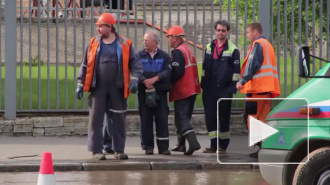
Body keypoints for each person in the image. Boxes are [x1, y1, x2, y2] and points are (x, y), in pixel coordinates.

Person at [75, 13, 143, 160]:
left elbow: (136, 64)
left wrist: (135, 79)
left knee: (119, 119)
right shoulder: (93, 43)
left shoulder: (125, 43)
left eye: (101, 26)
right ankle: (96, 151)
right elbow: (85, 64)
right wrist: (80, 83)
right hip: (97, 87)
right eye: (98, 26)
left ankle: (119, 150)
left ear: (110, 27)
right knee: (96, 119)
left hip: (117, 88)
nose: (98, 29)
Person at [236, 22, 280, 158]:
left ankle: (262, 148)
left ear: (255, 32)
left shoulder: (258, 45)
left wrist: (242, 81)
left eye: (248, 33)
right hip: (266, 90)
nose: (247, 35)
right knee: (262, 119)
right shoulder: (268, 45)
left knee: (251, 119)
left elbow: (252, 65)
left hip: (257, 89)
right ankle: (265, 148)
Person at [201, 20, 240, 154]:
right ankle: (213, 144)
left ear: (228, 32)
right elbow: (204, 69)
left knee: (223, 117)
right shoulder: (208, 47)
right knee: (210, 117)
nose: (220, 32)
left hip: (224, 89)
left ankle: (222, 145)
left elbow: (236, 72)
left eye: (223, 30)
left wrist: (231, 89)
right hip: (209, 89)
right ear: (215, 31)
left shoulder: (233, 49)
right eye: (218, 30)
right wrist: (203, 85)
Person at [166, 25, 201, 155]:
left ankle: (193, 143)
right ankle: (181, 145)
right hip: (192, 88)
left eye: (169, 37)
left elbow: (177, 72)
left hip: (183, 89)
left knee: (181, 118)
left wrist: (168, 83)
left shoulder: (178, 52)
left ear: (175, 38)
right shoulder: (187, 49)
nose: (168, 40)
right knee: (185, 117)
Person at [138, 30, 172, 155]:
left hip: (160, 93)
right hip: (143, 92)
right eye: (144, 40)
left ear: (155, 42)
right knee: (145, 120)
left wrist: (155, 79)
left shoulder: (164, 56)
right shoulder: (138, 56)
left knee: (162, 119)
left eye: (147, 40)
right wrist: (144, 81)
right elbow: (135, 71)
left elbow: (168, 72)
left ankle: (163, 148)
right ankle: (148, 147)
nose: (144, 42)